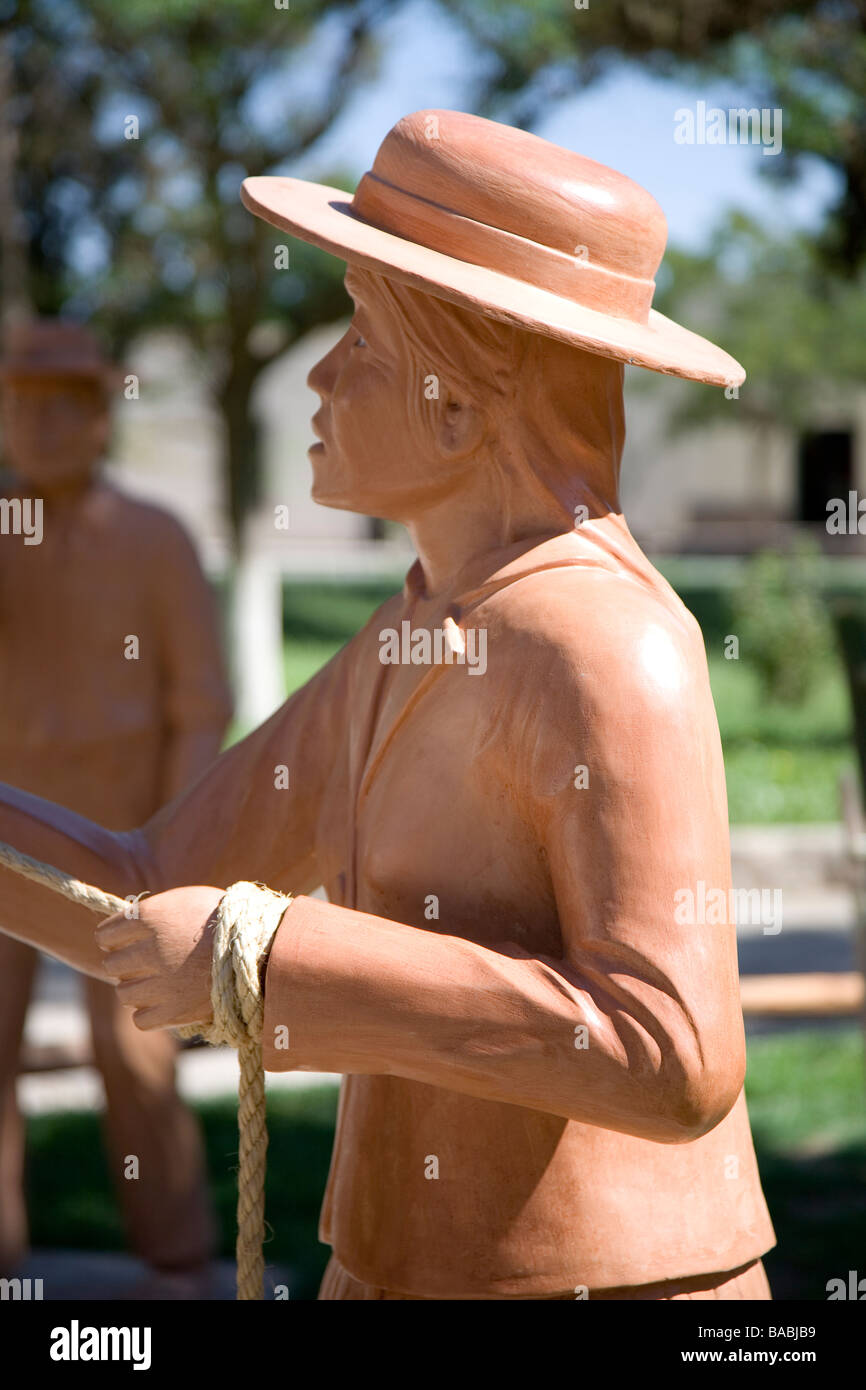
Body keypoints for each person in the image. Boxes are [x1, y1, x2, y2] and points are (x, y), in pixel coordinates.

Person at [0, 112, 775, 1299]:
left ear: (460, 408)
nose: (317, 374)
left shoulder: (612, 647)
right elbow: (148, 888)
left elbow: (671, 1051)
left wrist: (286, 962)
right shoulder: (410, 635)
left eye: (358, 334)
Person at [0, 319, 233, 1294]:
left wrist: (169, 843)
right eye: (23, 408)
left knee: (132, 1046)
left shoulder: (153, 539)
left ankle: (176, 1257)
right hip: (6, 827)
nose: (43, 429)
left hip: (118, 840)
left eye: (66, 409)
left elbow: (199, 702)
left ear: (102, 420)